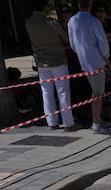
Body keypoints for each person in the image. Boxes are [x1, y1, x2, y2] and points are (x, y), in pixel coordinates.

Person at [25, 0, 75, 130]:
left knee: (47, 93)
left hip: (41, 62)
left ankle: (52, 121)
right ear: (44, 7)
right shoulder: (52, 23)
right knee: (63, 92)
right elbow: (66, 39)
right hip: (58, 60)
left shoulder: (28, 22)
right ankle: (68, 122)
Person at [67, 0, 111, 133]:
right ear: (90, 3)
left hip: (84, 60)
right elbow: (102, 43)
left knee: (96, 91)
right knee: (97, 93)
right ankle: (96, 124)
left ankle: (98, 119)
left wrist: (82, 54)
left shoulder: (72, 21)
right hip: (96, 61)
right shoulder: (94, 21)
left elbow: (73, 44)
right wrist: (107, 59)